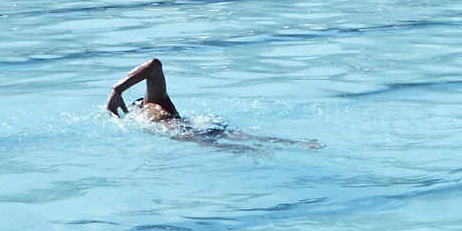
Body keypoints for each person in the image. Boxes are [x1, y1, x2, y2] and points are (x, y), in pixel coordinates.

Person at [105, 58, 315, 150]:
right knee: (245, 136)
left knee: (220, 144)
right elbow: (154, 66)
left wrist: (117, 89)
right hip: (197, 124)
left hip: (184, 130)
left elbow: (153, 64)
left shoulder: (153, 104)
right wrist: (118, 89)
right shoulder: (161, 105)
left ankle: (260, 151)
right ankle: (296, 143)